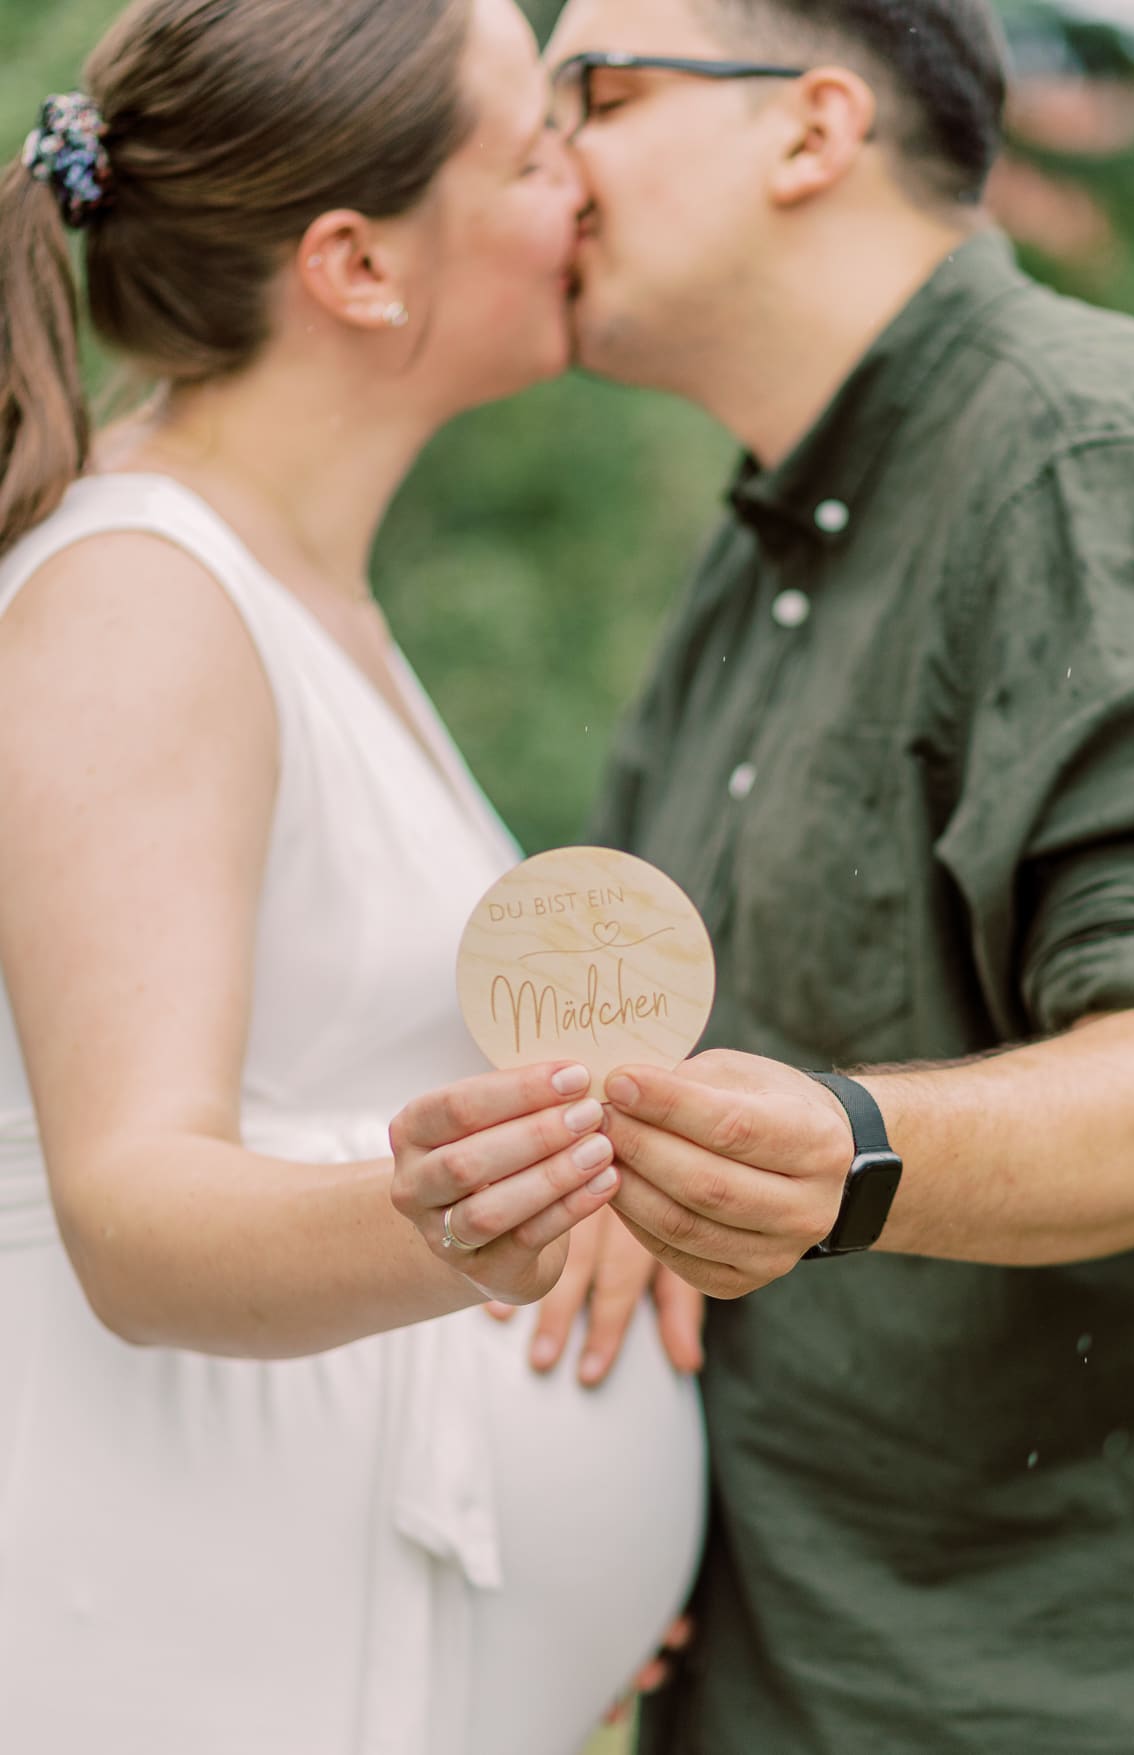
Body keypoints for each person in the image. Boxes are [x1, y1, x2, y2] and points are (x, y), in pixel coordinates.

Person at [399, 0, 1134, 1749]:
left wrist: (849, 1152)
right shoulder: (747, 553)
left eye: (590, 91)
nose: (544, 157)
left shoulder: (1097, 465)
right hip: (768, 1679)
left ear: (810, 132)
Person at [0, 1, 706, 1750]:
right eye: (536, 152)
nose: (585, 186)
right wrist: (482, 1219)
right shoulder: (136, 602)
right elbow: (133, 1215)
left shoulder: (285, 591)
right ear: (357, 267)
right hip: (193, 1664)